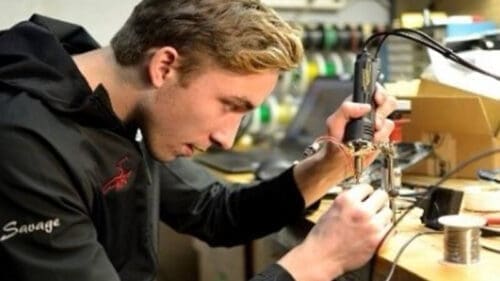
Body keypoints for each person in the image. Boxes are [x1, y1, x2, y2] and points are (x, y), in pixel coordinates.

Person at [0, 0, 397, 280]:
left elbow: (215, 211)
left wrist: (330, 164)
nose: (227, 139)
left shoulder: (111, 107)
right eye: (230, 105)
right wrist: (315, 263)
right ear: (165, 66)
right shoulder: (24, 143)